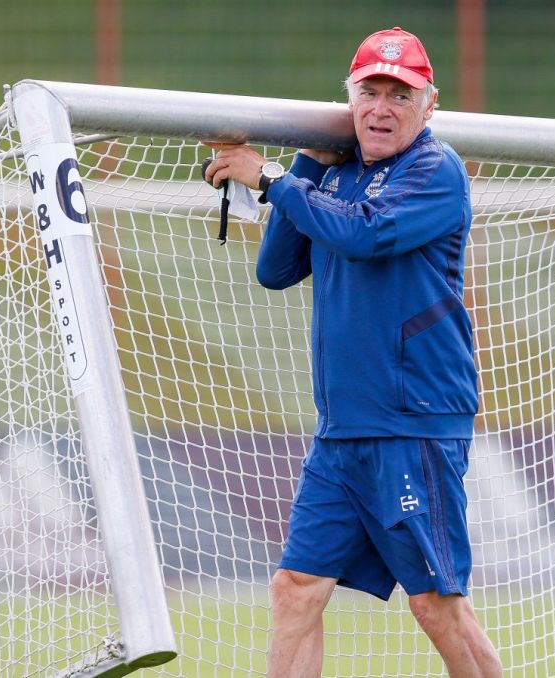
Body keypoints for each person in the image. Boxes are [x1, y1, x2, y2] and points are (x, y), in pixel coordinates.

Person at [204, 27, 502, 678]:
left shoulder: (434, 170)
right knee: (295, 589)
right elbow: (276, 269)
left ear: (430, 105)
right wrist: (309, 161)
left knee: (435, 605)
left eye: (401, 93)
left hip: (411, 424)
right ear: (350, 99)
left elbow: (366, 234)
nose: (383, 106)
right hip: (343, 432)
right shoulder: (333, 178)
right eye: (370, 90)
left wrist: (275, 177)